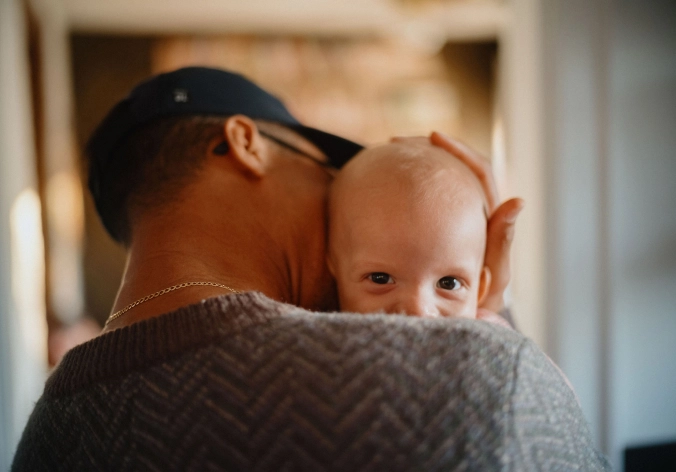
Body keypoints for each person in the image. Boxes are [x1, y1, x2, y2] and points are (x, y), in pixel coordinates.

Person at [12, 67, 609, 471]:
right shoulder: (467, 371)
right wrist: (489, 311)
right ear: (245, 143)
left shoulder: (46, 437)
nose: (342, 203)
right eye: (328, 169)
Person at [329, 139, 495, 320]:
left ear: (480, 290)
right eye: (380, 278)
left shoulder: (495, 338)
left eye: (449, 283)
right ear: (335, 272)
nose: (418, 311)